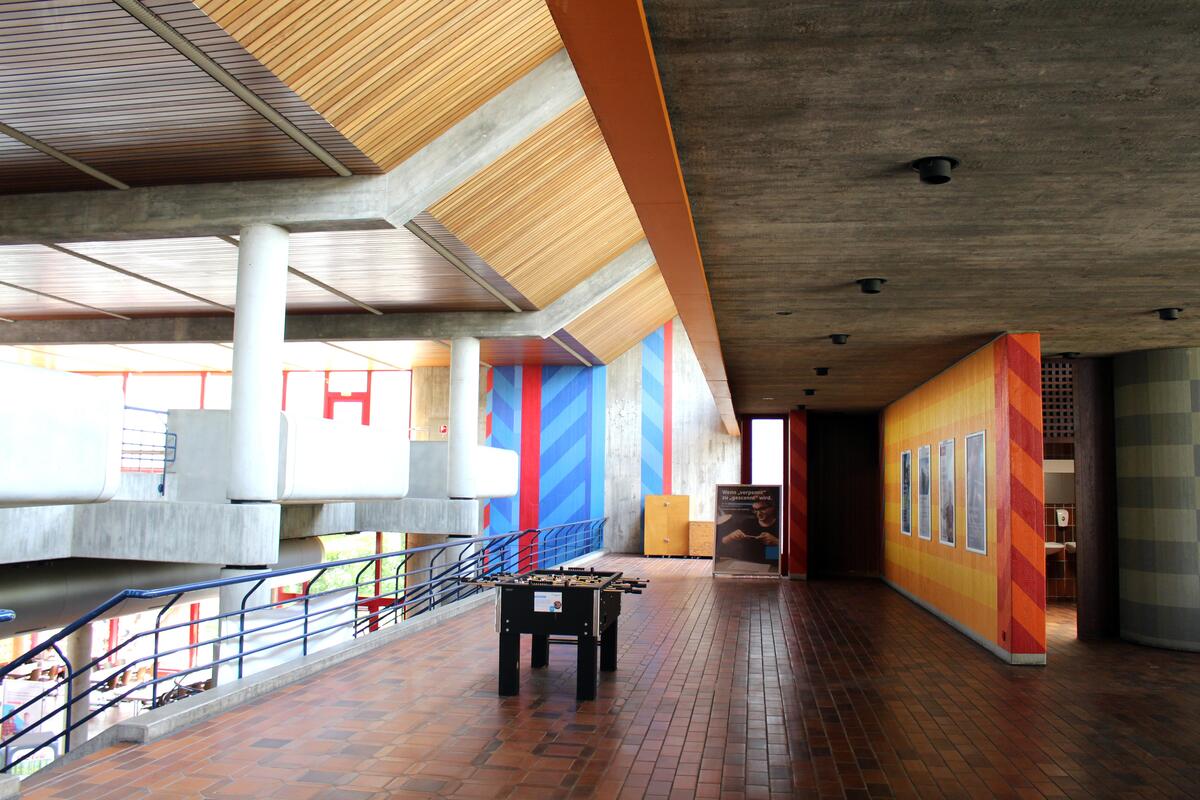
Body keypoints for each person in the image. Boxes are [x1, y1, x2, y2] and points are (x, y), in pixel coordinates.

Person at [716, 498, 779, 569]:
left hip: (771, 568)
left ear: (772, 507)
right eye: (755, 510)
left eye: (762, 509)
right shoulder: (747, 524)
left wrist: (776, 542)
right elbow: (720, 550)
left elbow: (780, 558)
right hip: (744, 567)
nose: (758, 513)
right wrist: (729, 537)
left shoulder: (779, 526)